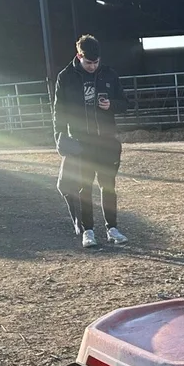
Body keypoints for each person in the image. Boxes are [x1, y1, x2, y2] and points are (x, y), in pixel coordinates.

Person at [53, 34, 128, 248]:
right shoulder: (65, 77)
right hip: (81, 142)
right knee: (83, 187)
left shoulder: (109, 74)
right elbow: (59, 110)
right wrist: (59, 136)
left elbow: (125, 103)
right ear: (79, 56)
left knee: (108, 186)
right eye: (89, 62)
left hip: (106, 141)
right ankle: (88, 231)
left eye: (96, 62)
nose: (93, 66)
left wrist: (111, 105)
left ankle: (112, 228)